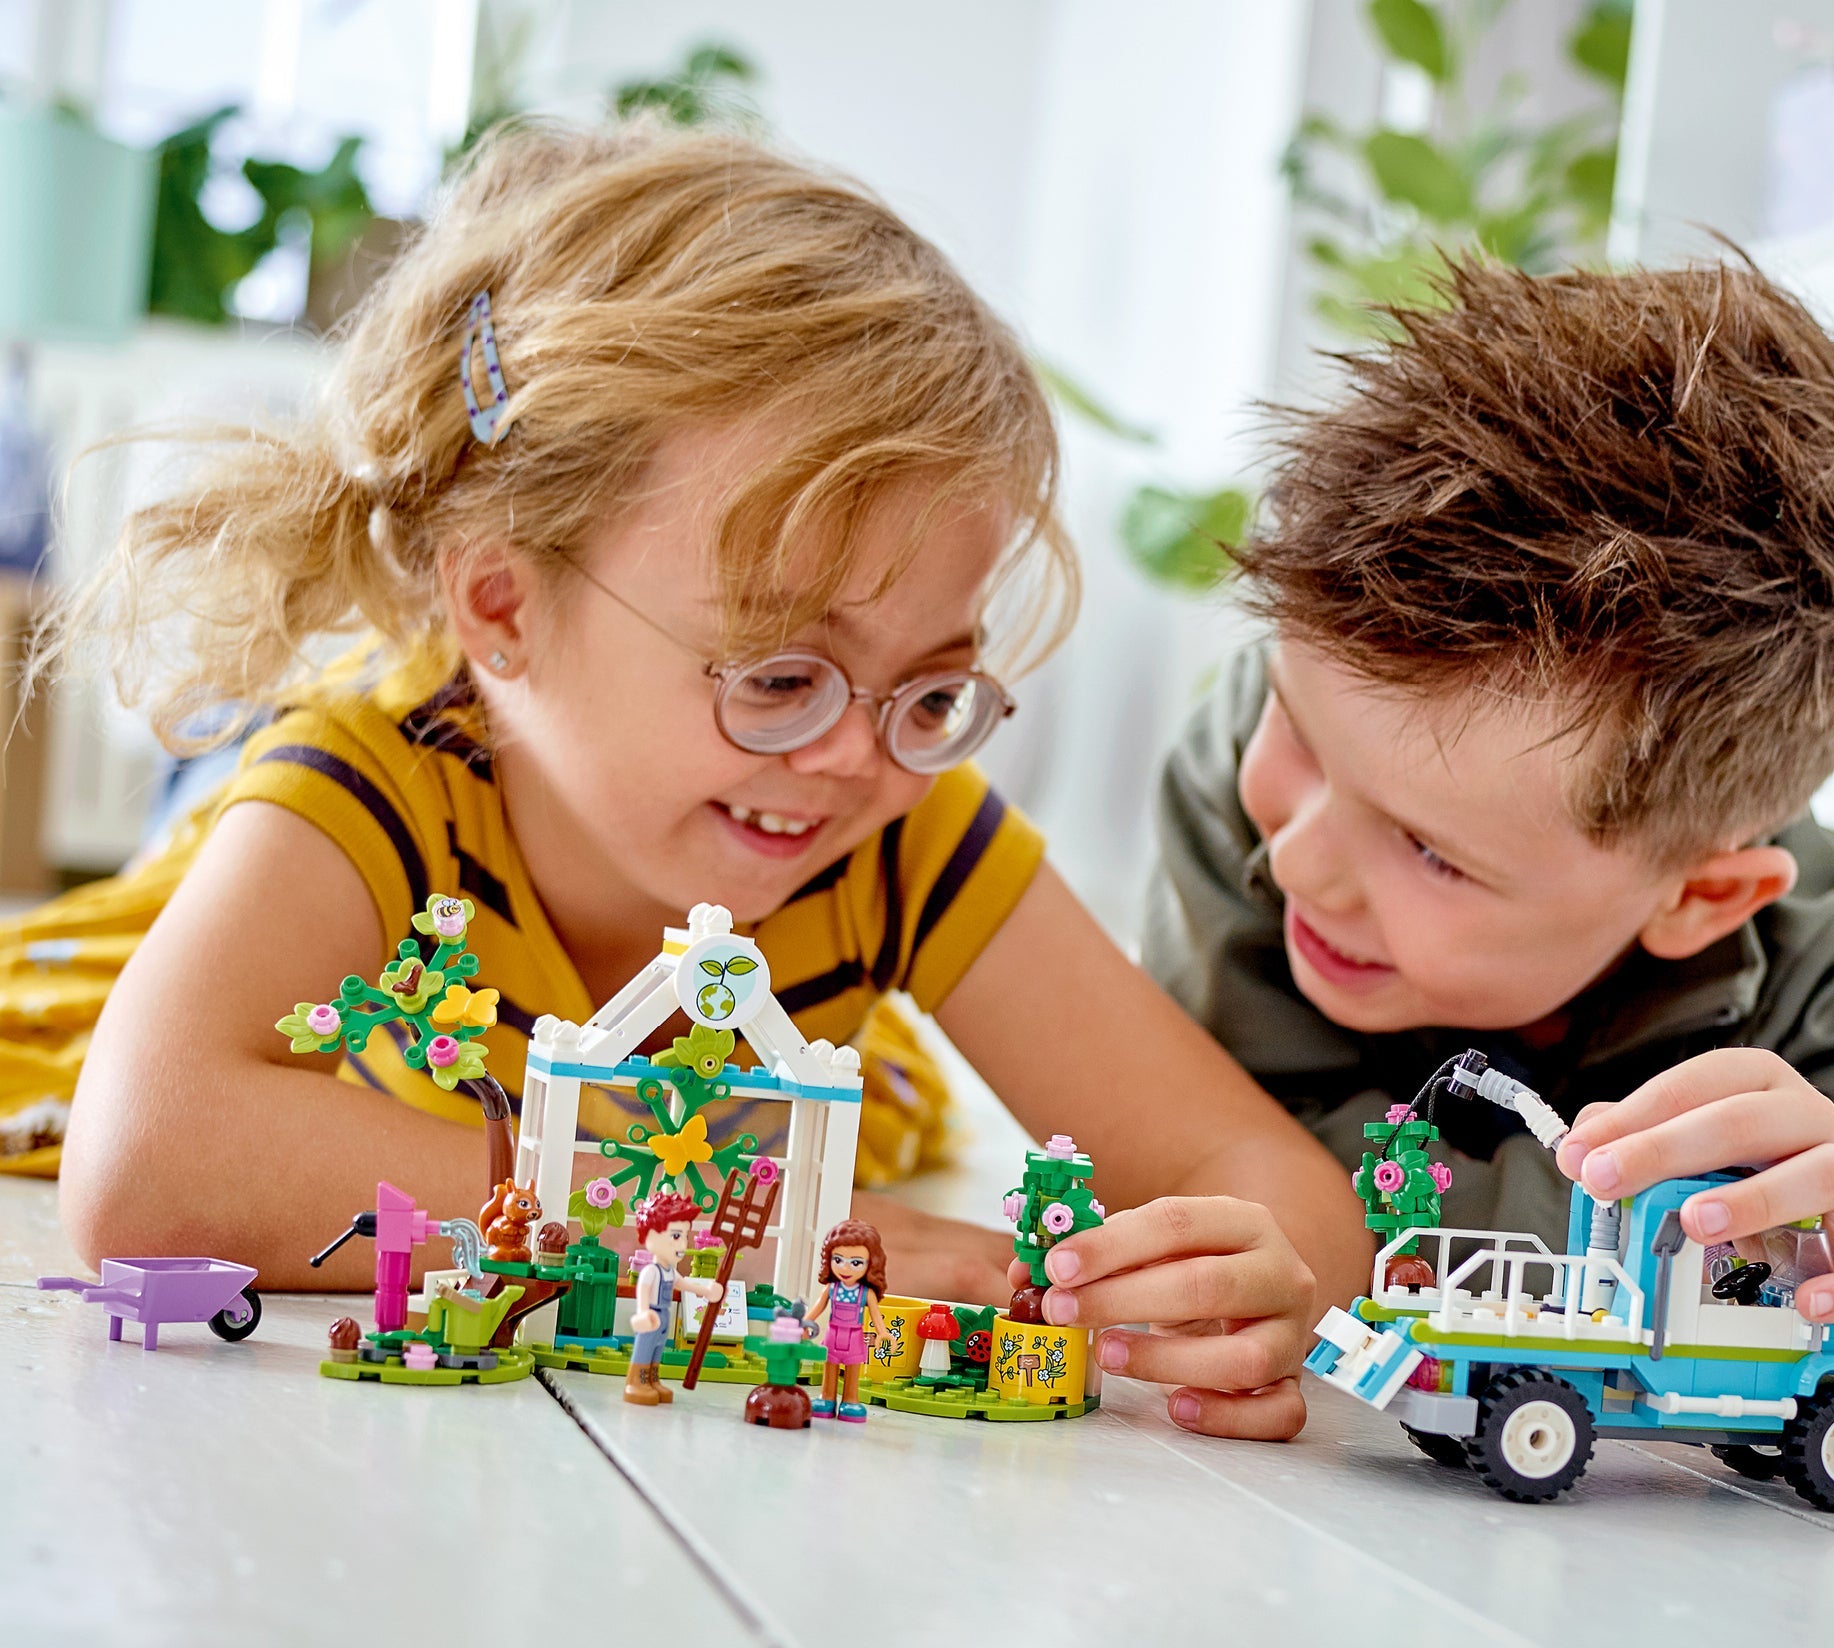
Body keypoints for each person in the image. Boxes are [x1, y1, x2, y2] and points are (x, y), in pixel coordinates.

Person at [11, 118, 1347, 1441]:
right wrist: (758, 1228)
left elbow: (1283, 1196)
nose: (855, 754)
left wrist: (1233, 1285)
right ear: (504, 605)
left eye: (932, 692)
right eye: (777, 677)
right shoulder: (372, 780)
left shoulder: (896, 824)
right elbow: (148, 1160)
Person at [1054, 257, 1834, 1403]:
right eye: (1294, 729)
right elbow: (1234, 1145)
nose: (1296, 854)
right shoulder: (1230, 774)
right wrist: (1664, 1240)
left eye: (1429, 851)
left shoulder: (1821, 955)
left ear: (1696, 897)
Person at [626, 1188, 718, 1407]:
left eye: (685, 1236)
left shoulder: (669, 1271)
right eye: (676, 1236)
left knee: (658, 1348)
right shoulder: (651, 1271)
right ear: (651, 1235)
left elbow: (685, 1284)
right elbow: (642, 1293)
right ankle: (636, 1381)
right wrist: (643, 1313)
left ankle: (652, 1379)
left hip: (664, 1316)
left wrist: (707, 1292)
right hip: (652, 1315)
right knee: (644, 1348)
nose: (683, 1244)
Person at [805, 1219, 889, 1423]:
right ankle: (827, 1398)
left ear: (871, 1264)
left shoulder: (866, 1293)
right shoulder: (831, 1288)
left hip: (854, 1336)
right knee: (830, 1365)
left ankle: (850, 1400)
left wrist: (883, 1333)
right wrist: (803, 1323)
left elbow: (876, 1316)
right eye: (838, 1259)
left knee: (852, 1369)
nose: (845, 1268)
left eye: (856, 1263)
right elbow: (816, 1309)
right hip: (833, 1334)